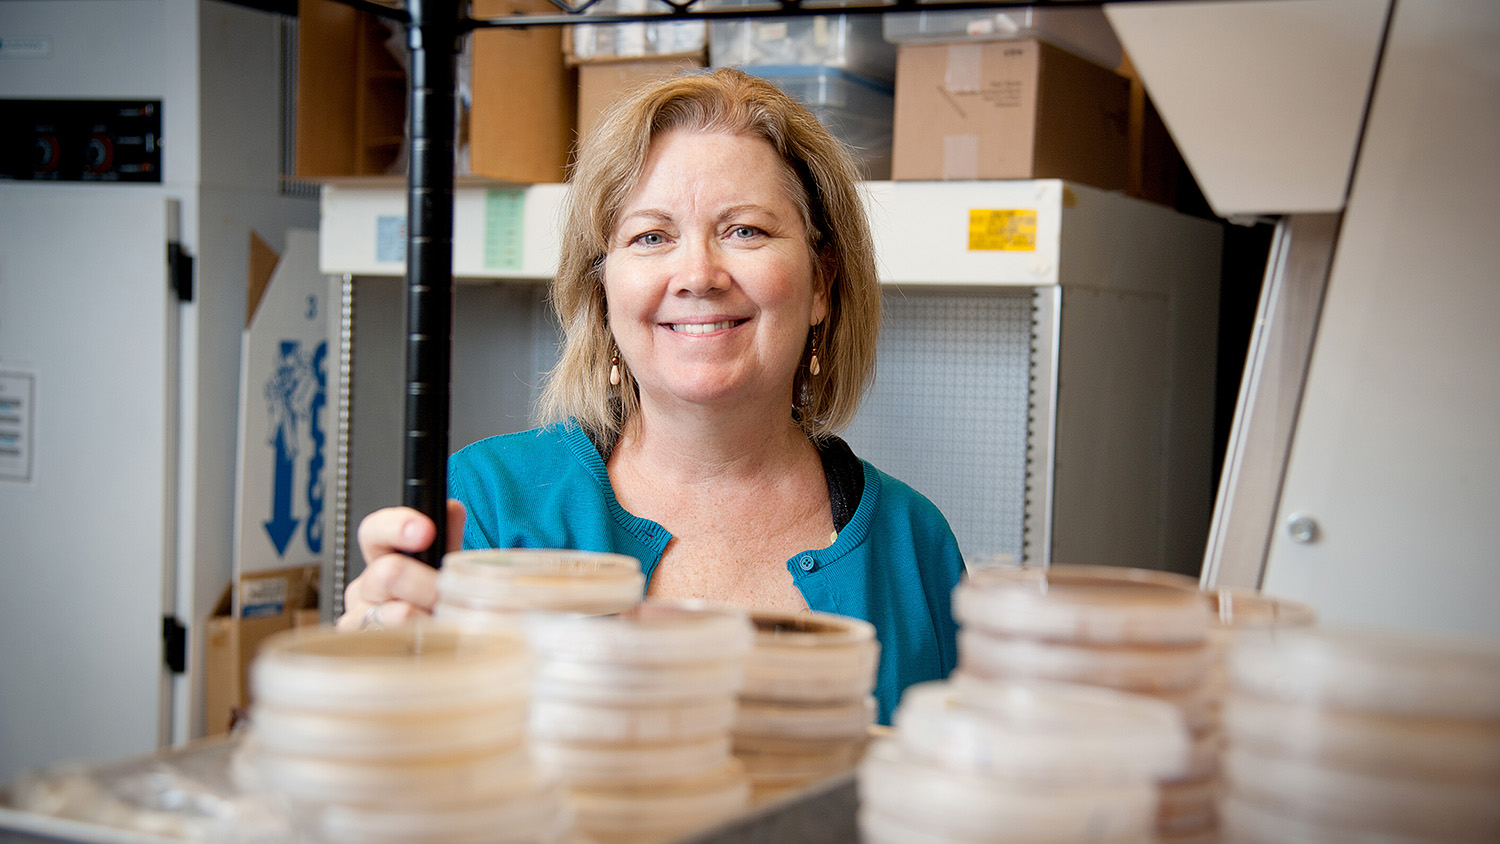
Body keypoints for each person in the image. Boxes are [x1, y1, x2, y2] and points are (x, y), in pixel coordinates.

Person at [341, 67, 963, 722]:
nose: (697, 274)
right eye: (651, 237)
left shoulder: (913, 543)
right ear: (603, 291)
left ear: (820, 285)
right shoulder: (489, 507)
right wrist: (378, 671)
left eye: (745, 229)